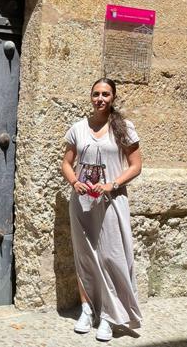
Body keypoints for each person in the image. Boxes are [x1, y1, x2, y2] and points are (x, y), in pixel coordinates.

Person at [61, 78, 143, 342]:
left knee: (112, 257)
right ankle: (87, 310)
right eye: (96, 94)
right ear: (90, 97)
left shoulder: (124, 128)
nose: (100, 98)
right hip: (82, 204)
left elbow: (135, 165)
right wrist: (74, 182)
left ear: (113, 97)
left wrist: (113, 183)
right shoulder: (78, 128)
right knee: (84, 256)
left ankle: (109, 315)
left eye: (105, 94)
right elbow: (66, 163)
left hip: (111, 203)